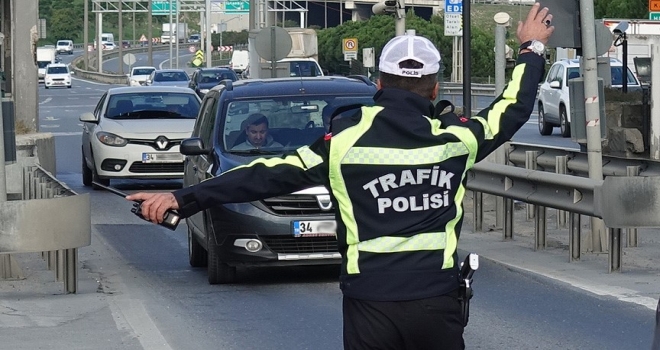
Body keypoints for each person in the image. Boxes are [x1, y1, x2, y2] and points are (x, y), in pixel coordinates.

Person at [127, 4, 553, 349]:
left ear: (378, 83)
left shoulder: (343, 144)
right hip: (435, 302)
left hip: (370, 304)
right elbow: (511, 109)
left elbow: (264, 175)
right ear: (436, 87)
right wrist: (530, 49)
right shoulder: (458, 141)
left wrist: (182, 200)